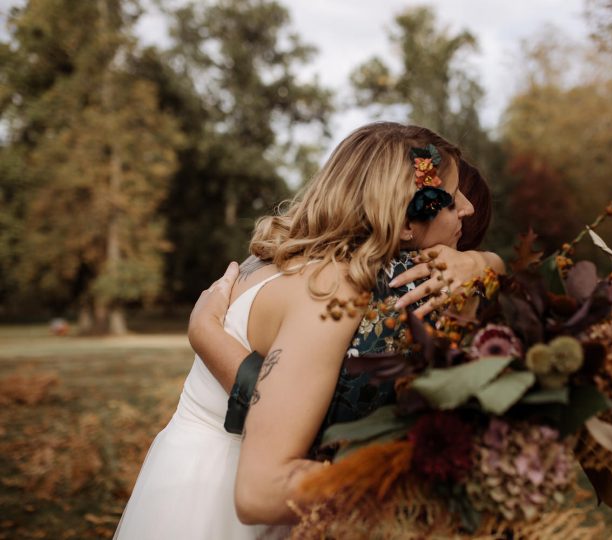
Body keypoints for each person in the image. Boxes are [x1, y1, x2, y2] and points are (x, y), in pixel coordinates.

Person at [114, 122, 502, 538]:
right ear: (407, 222)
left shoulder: (272, 259)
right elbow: (262, 491)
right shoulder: (332, 289)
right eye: (454, 195)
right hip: (215, 508)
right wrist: (417, 486)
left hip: (180, 478)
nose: (468, 208)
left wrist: (488, 264)